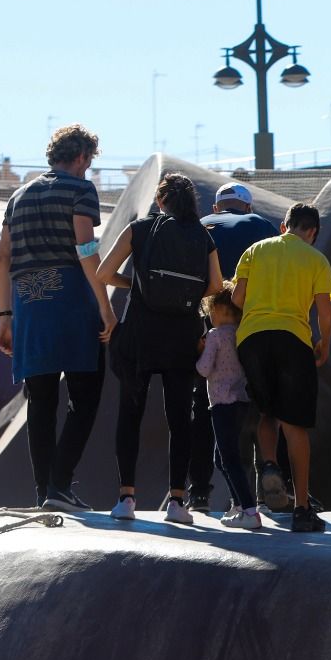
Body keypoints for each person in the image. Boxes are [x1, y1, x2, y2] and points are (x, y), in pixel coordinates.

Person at [0, 123, 114, 512]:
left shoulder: (17, 196)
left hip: (28, 304)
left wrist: (4, 317)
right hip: (70, 300)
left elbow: (1, 260)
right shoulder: (80, 190)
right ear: (80, 157)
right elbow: (85, 246)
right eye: (89, 161)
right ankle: (60, 484)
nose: (88, 169)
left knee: (40, 401)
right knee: (87, 394)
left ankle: (44, 491)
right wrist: (105, 305)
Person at [96, 173, 223, 524]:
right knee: (180, 417)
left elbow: (104, 272)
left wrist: (134, 283)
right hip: (182, 336)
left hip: (140, 332)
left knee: (130, 414)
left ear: (161, 199)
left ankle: (126, 498)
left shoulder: (140, 229)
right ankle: (178, 503)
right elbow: (214, 284)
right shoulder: (202, 235)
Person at [233, 203, 331, 532]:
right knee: (295, 426)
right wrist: (324, 343)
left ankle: (269, 466)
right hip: (293, 339)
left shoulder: (255, 250)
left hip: (252, 338)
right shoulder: (315, 258)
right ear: (312, 232)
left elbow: (237, 297)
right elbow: (326, 312)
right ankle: (303, 507)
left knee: (267, 413)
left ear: (284, 226)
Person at [191, 180, 281, 513]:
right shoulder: (258, 224)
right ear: (247, 206)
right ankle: (268, 480)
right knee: (263, 402)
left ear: (216, 208)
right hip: (250, 326)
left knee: (204, 407)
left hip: (207, 324)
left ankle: (198, 491)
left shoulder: (199, 226)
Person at [195, 285, 263, 530]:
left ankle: (249, 510)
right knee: (222, 458)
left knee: (228, 459)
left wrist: (200, 351)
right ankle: (238, 503)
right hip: (241, 402)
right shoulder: (241, 332)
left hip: (222, 403)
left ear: (220, 309)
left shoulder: (214, 335)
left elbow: (204, 369)